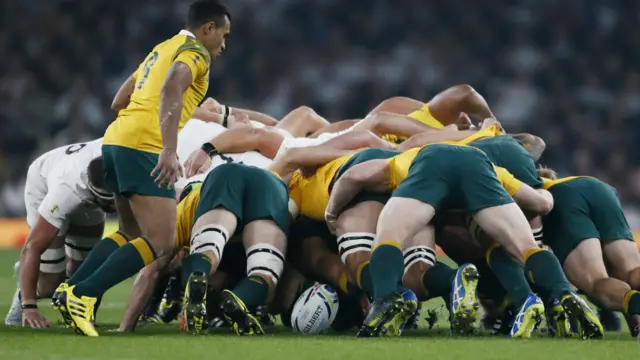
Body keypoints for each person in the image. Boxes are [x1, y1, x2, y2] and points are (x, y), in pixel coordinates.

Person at [53, 0, 232, 337]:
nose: (223, 45)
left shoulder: (161, 49)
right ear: (208, 28)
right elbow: (171, 88)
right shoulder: (196, 53)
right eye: (223, 36)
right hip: (145, 146)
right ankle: (83, 293)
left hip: (116, 138)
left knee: (130, 232)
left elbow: (119, 101)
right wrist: (167, 148)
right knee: (162, 242)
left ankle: (70, 288)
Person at [326, 143, 603, 339]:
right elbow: (542, 203)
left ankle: (384, 302)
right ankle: (564, 293)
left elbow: (353, 176)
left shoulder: (402, 160)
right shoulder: (494, 169)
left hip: (430, 165)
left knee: (389, 237)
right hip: (478, 169)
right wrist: (547, 191)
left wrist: (331, 212)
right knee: (526, 247)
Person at [5, 139, 113, 328]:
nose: (113, 207)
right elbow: (32, 247)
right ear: (95, 193)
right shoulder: (64, 193)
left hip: (82, 181)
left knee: (85, 269)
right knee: (50, 285)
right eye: (108, 202)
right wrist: (30, 307)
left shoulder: (121, 151)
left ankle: (74, 313)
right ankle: (23, 292)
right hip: (44, 183)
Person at [538, 167, 640, 339]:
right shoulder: (566, 179)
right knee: (630, 272)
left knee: (595, 282)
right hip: (600, 189)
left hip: (564, 199)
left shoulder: (533, 192)